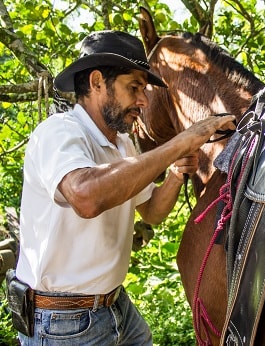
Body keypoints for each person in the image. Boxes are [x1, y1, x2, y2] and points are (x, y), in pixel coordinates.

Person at [10, 30, 235, 345]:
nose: (143, 101)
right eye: (134, 88)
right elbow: (86, 197)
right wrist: (184, 139)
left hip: (114, 304)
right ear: (97, 81)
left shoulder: (123, 145)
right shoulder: (59, 133)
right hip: (61, 322)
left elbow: (152, 211)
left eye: (144, 89)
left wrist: (173, 175)